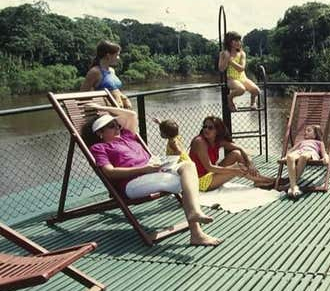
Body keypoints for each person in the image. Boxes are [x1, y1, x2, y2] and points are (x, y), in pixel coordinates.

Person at [86, 104, 220, 246]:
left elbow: (131, 115)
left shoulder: (127, 136)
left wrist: (101, 107)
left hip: (152, 171)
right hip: (133, 182)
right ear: (100, 133)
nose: (118, 128)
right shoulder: (99, 148)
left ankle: (195, 220)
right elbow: (109, 172)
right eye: (112, 126)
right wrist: (144, 169)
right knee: (186, 180)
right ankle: (196, 230)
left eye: (117, 124)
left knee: (189, 165)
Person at [189, 116, 276, 192]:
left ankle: (259, 180)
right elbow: (210, 167)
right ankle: (270, 180)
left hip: (210, 175)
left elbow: (240, 148)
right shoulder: (200, 142)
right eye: (205, 127)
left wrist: (250, 163)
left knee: (236, 153)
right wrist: (234, 171)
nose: (206, 129)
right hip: (200, 182)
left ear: (217, 131)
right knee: (237, 167)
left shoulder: (216, 141)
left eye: (210, 127)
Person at [81, 40, 132, 109]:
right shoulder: (95, 72)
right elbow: (83, 95)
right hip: (105, 112)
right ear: (108, 56)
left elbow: (115, 90)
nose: (118, 58)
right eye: (117, 55)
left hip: (119, 110)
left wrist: (124, 98)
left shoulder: (112, 71)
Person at [218, 31, 261, 111]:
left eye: (239, 41)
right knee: (241, 89)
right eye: (236, 40)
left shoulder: (242, 54)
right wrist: (226, 59)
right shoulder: (223, 53)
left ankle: (252, 102)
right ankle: (229, 99)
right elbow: (221, 69)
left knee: (256, 90)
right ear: (229, 42)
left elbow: (241, 68)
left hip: (242, 77)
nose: (238, 43)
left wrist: (231, 61)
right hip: (231, 78)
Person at [284, 124, 330, 198]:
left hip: (310, 153)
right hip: (300, 151)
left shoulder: (319, 143)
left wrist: (325, 158)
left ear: (315, 134)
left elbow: (324, 153)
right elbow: (291, 150)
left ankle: (292, 186)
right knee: (290, 157)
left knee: (304, 156)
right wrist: (286, 156)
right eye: (305, 130)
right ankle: (294, 186)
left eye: (308, 131)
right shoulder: (302, 142)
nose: (305, 132)